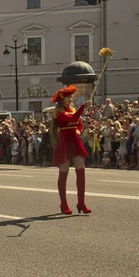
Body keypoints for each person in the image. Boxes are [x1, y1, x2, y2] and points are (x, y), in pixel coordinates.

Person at [50, 86, 91, 214]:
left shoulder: (72, 109)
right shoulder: (59, 112)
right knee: (64, 172)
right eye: (68, 97)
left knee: (81, 171)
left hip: (75, 139)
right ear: (62, 99)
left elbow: (78, 122)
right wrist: (82, 108)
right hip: (64, 141)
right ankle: (64, 204)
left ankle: (81, 202)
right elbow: (71, 119)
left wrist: (79, 129)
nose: (70, 99)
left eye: (70, 97)